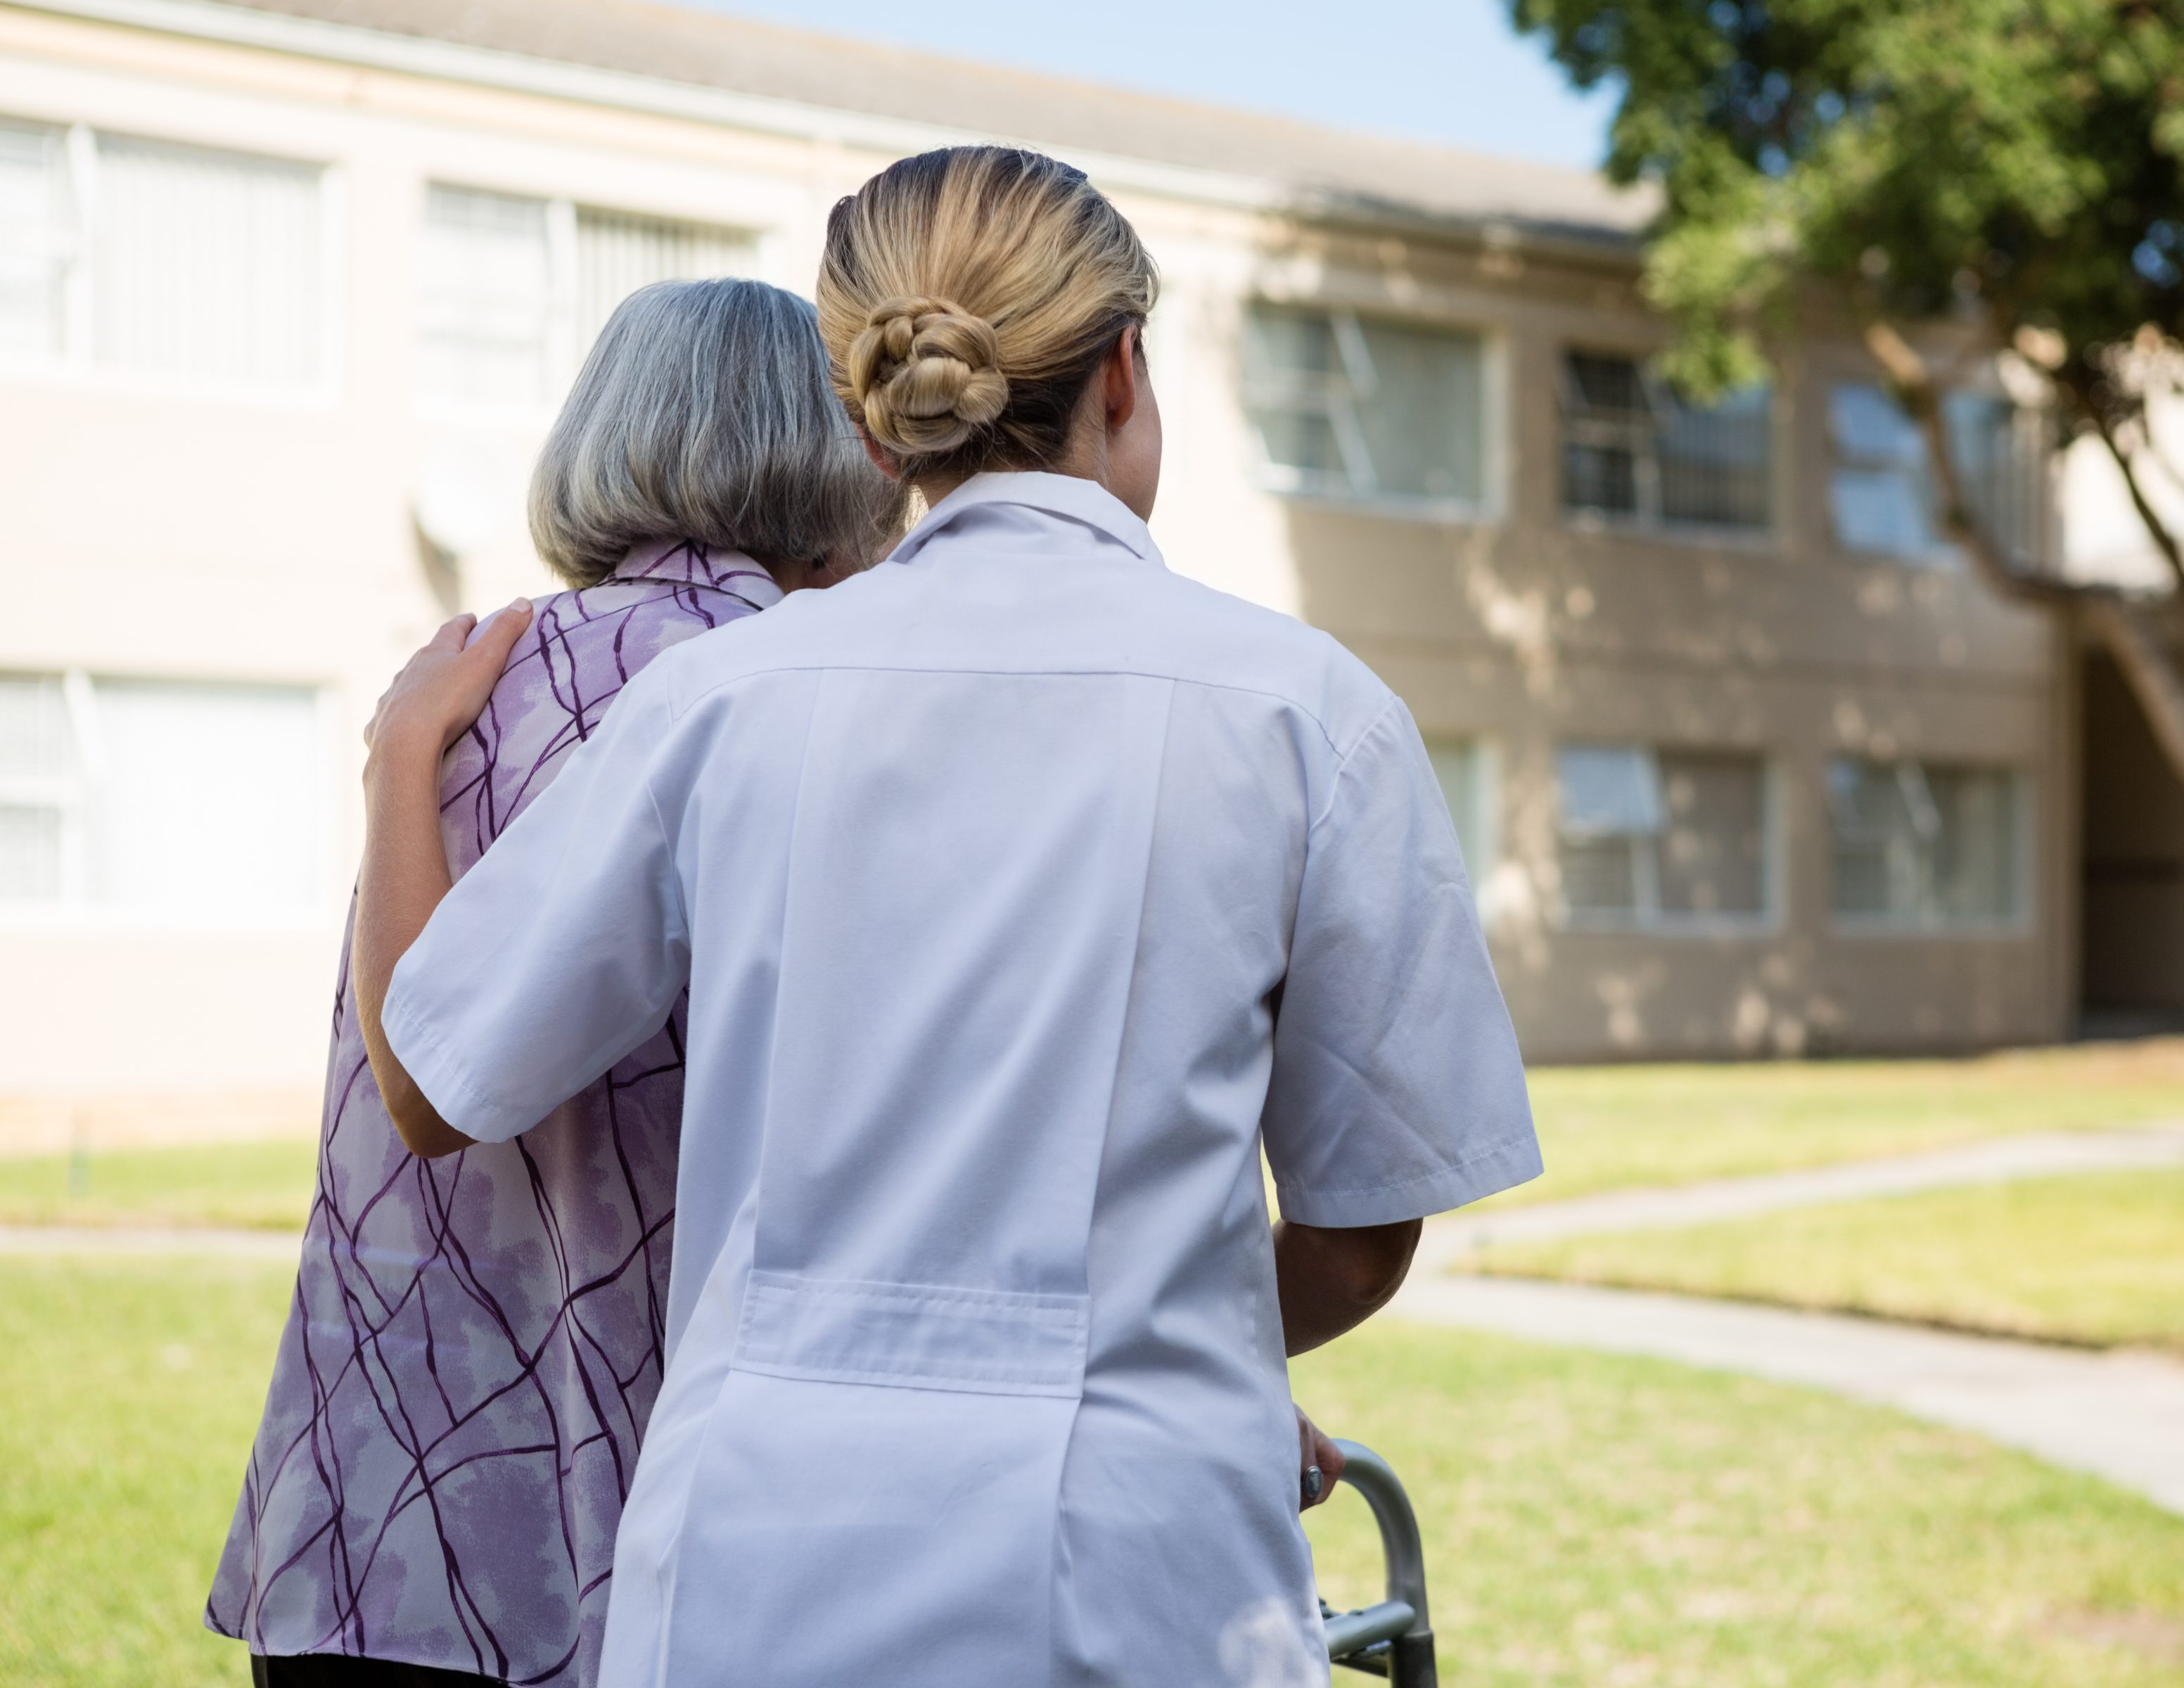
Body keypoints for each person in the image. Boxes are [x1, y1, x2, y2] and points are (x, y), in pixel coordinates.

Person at [354, 146, 1540, 1688]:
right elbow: (1365, 1228)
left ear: (869, 418)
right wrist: (1156, 1344)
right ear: (1126, 370)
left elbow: (431, 1084)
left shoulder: (717, 703)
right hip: (1138, 1582)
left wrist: (397, 764)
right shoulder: (1310, 715)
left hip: (744, 1584)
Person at [206, 278, 907, 1688]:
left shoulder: (469, 679)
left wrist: (394, 765)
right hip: (681, 1543)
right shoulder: (820, 698)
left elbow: (407, 1062)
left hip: (383, 1505)